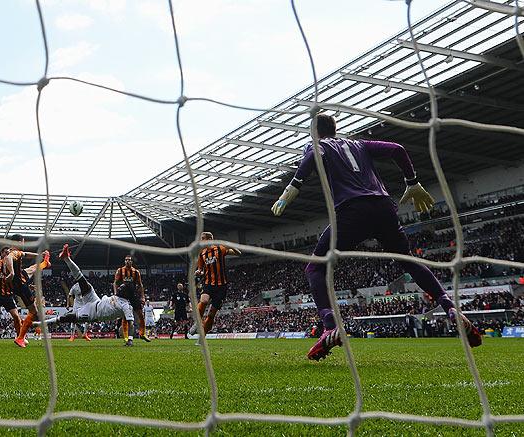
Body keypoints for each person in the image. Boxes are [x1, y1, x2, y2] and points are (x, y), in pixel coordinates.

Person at [270, 113, 482, 360]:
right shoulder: (359, 144)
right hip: (383, 207)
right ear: (335, 127)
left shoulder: (319, 144)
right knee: (409, 261)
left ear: (314, 130)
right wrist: (411, 182)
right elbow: (397, 149)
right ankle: (451, 308)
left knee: (314, 269)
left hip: (352, 211)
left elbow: (311, 157)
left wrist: (290, 190)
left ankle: (329, 326)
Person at [37, 244, 134, 339]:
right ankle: (66, 258)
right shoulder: (117, 295)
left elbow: (130, 323)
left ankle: (40, 323)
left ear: (126, 293)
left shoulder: (126, 306)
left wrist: (130, 339)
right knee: (83, 280)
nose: (120, 287)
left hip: (93, 313)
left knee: (68, 318)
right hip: (96, 301)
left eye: (122, 287)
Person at [190, 232, 241, 336]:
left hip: (221, 286)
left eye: (202, 238)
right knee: (203, 301)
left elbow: (238, 253)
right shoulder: (202, 253)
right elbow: (200, 269)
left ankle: (203, 335)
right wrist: (198, 272)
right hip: (208, 283)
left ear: (209, 239)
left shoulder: (220, 249)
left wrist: (232, 246)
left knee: (211, 315)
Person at [5, 234, 51, 348]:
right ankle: (20, 338)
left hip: (19, 281)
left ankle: (45, 262)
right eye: (23, 242)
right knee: (34, 311)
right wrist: (11, 272)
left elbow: (26, 254)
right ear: (19, 242)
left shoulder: (16, 251)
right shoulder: (13, 253)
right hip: (21, 284)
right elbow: (9, 258)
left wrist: (39, 255)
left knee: (33, 268)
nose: (24, 244)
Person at [113, 255, 150, 345]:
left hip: (133, 295)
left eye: (129, 260)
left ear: (132, 262)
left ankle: (143, 333)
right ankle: (126, 337)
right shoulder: (120, 271)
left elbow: (140, 285)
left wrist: (142, 297)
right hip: (123, 296)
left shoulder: (136, 272)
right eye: (126, 260)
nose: (127, 261)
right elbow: (115, 283)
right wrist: (115, 294)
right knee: (125, 317)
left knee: (140, 314)